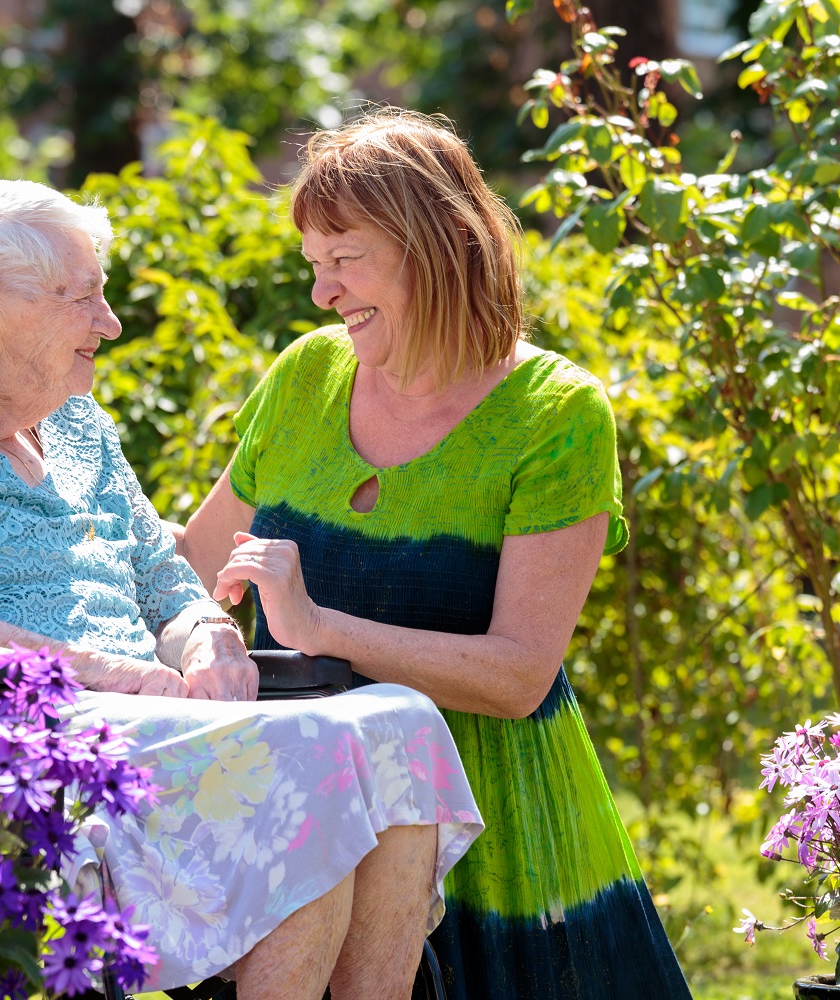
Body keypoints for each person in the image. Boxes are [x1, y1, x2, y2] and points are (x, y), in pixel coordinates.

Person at [0, 177, 482, 1000]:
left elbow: (165, 578)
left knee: (401, 719)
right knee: (307, 755)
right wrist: (95, 669)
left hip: (140, 723)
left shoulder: (81, 424)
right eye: (83, 298)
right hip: (12, 739)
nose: (110, 323)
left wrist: (208, 635)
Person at [177, 110, 693, 1000]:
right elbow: (188, 568)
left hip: (496, 844)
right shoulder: (305, 376)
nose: (323, 294)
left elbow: (519, 675)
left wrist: (317, 626)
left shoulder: (556, 414)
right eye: (314, 266)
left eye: (346, 260)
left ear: (438, 245)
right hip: (300, 822)